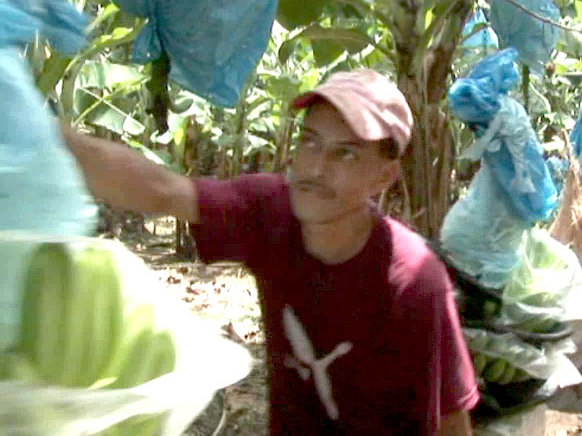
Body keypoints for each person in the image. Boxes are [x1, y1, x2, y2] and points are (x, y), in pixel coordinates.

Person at [61, 69, 479, 435]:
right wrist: (45, 133)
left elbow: (450, 423)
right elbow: (161, 191)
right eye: (311, 143)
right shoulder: (271, 212)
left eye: (345, 153)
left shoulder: (414, 283)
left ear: (384, 176)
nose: (316, 168)